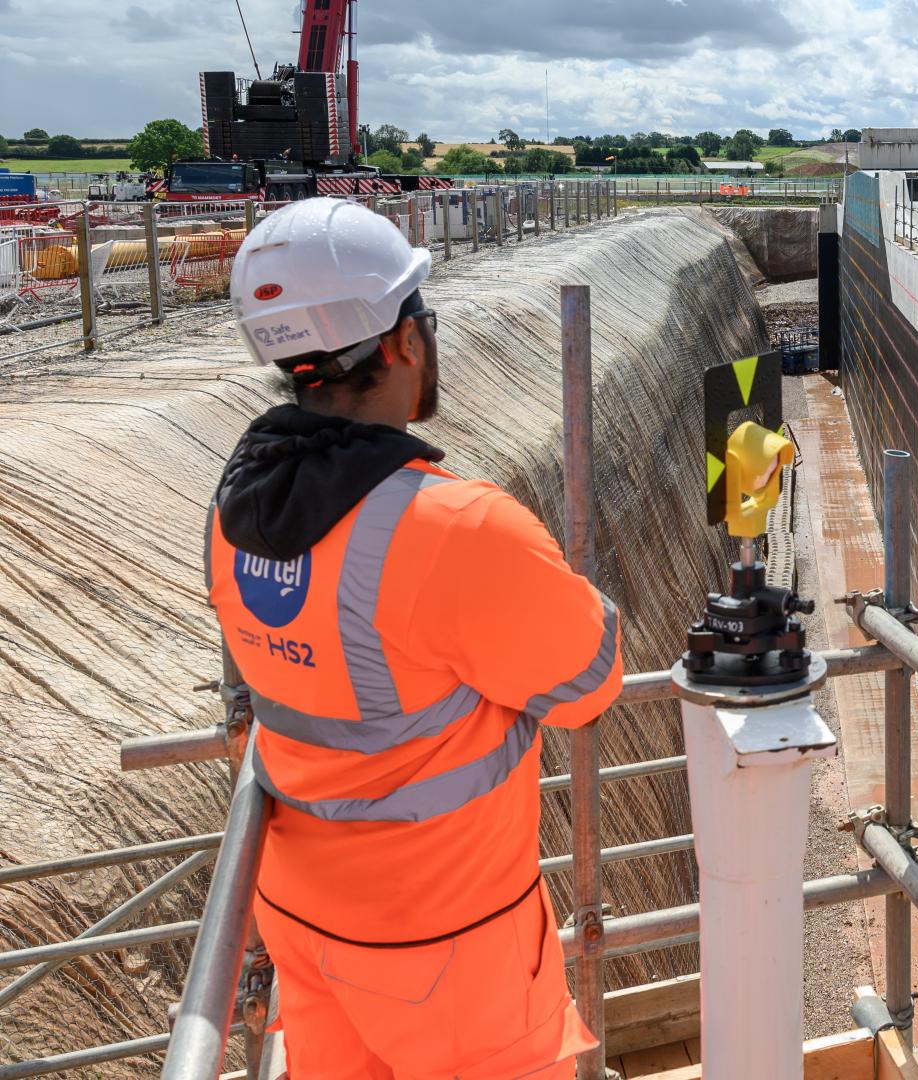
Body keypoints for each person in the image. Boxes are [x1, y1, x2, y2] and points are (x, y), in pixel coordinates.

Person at [206, 197, 622, 1078]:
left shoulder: (238, 511)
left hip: (306, 927)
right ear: (403, 341)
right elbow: (590, 683)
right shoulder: (458, 529)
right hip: (450, 949)